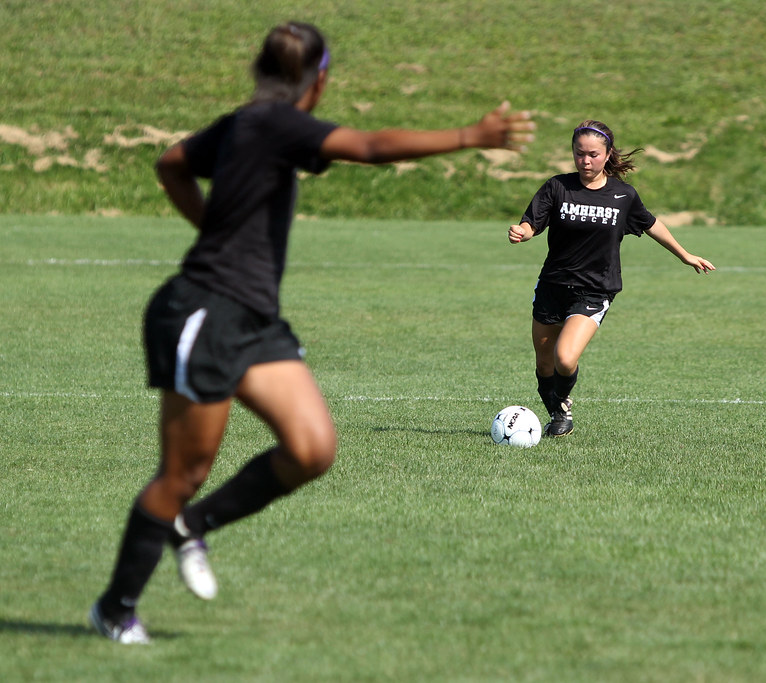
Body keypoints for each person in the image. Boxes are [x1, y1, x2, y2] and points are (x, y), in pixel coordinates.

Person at [89, 21, 535, 644]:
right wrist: (470, 136)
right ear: (318, 80)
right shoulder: (276, 122)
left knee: (311, 449)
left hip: (253, 319)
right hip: (204, 314)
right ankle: (116, 608)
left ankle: (191, 528)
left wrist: (208, 223)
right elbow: (373, 147)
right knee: (182, 472)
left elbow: (171, 165)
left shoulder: (246, 123)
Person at [507, 119, 714, 437]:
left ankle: (563, 407)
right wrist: (522, 232)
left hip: (595, 289)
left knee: (565, 357)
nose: (585, 161)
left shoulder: (623, 196)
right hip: (552, 285)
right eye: (579, 154)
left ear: (607, 155)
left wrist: (684, 254)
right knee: (544, 364)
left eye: (592, 154)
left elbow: (651, 224)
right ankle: (555, 413)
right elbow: (532, 223)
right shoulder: (558, 187)